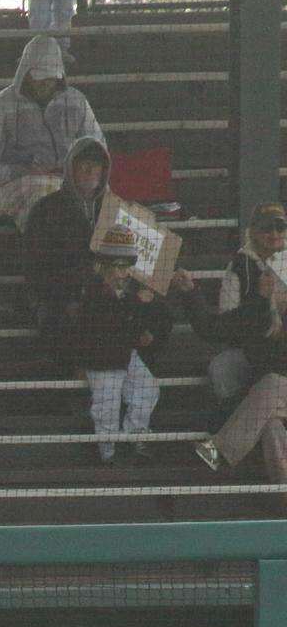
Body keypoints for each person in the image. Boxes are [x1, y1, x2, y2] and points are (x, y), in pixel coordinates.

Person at [68, 227, 194, 466]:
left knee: (147, 389)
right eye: (115, 266)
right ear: (102, 265)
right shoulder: (92, 291)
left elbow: (126, 323)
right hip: (101, 360)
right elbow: (105, 322)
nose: (120, 272)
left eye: (125, 266)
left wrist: (139, 333)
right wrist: (137, 305)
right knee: (107, 407)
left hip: (125, 354)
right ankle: (108, 454)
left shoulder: (125, 291)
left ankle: (135, 436)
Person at [0, 37, 101, 231]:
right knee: (46, 199)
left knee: (103, 198)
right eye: (40, 78)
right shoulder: (1, 105)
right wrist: (22, 170)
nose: (46, 83)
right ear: (25, 73)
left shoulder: (76, 102)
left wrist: (73, 169)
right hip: (18, 184)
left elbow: (97, 149)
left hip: (69, 181)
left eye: (51, 78)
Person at [25, 136, 111, 341]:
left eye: (96, 165)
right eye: (84, 165)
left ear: (104, 171)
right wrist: (66, 301)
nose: (90, 171)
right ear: (71, 169)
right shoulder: (45, 209)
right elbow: (36, 268)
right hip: (59, 298)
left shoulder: (113, 210)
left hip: (105, 296)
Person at [201, 203, 287, 405]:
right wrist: (262, 302)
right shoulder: (239, 265)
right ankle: (232, 419)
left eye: (280, 227)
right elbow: (228, 321)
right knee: (222, 367)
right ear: (254, 232)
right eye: (266, 228)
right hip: (250, 348)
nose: (274, 233)